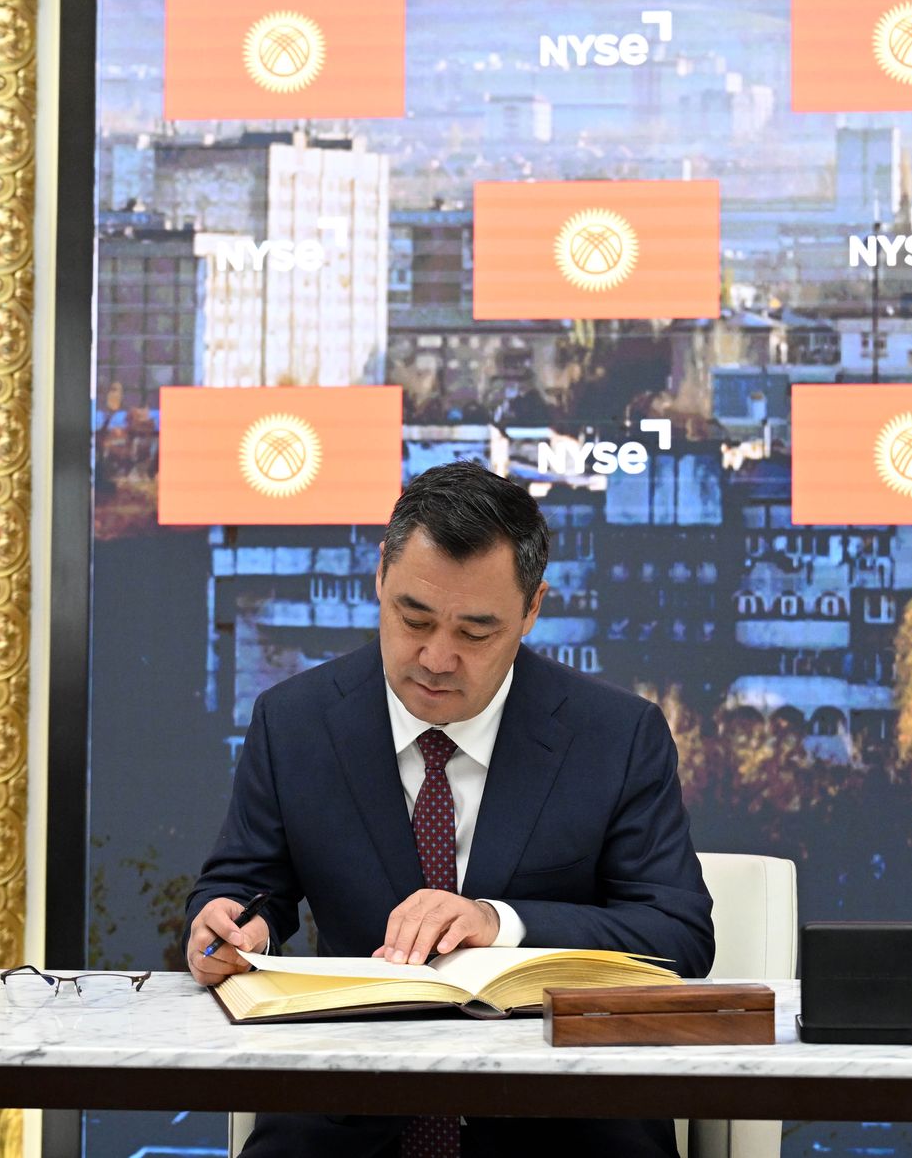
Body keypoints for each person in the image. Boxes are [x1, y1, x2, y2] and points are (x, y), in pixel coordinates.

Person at [186, 459, 714, 1158]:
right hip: (345, 1119)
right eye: (414, 618)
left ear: (532, 609)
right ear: (380, 575)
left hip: (566, 1124)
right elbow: (246, 886)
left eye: (475, 632)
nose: (436, 658)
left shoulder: (615, 736)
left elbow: (678, 936)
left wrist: (500, 922)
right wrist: (229, 923)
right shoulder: (295, 722)